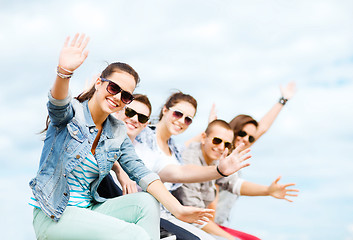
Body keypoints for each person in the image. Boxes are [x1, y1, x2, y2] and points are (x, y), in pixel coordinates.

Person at [28, 33, 214, 240]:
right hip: (54, 215)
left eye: (125, 95)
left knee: (146, 202)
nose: (117, 97)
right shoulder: (72, 115)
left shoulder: (116, 131)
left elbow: (141, 171)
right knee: (133, 235)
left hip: (89, 211)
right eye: (113, 87)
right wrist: (64, 72)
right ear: (98, 83)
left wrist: (178, 209)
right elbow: (57, 104)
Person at [100, 93, 251, 240]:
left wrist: (218, 170)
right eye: (178, 114)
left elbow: (179, 171)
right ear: (165, 110)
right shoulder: (141, 135)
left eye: (188, 120)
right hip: (131, 204)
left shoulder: (174, 152)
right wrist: (119, 169)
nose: (135, 119)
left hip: (162, 211)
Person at [185, 82, 297, 229]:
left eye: (250, 138)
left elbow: (262, 128)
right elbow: (186, 149)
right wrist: (210, 130)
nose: (245, 139)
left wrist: (282, 100)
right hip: (206, 224)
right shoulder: (218, 157)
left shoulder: (235, 158)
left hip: (218, 223)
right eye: (242, 133)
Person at [172, 120, 299, 240]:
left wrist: (268, 190)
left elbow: (235, 184)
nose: (221, 147)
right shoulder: (189, 160)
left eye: (227, 144)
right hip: (174, 225)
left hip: (199, 223)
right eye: (217, 141)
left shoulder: (217, 158)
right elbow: (196, 217)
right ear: (204, 138)